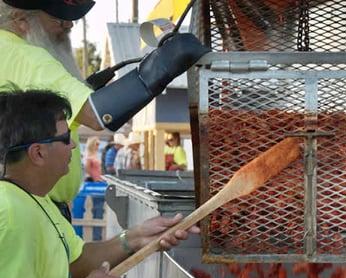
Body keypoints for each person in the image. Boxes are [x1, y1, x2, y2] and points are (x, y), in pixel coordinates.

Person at [0, 88, 200, 278]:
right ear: (38, 153)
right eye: (65, 139)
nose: (72, 149)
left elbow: (77, 262)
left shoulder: (35, 200)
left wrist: (138, 237)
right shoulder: (10, 212)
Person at [0, 0, 210, 220]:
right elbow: (97, 114)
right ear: (21, 20)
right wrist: (163, 65)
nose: (69, 26)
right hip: (29, 209)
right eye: (59, 18)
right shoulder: (30, 59)